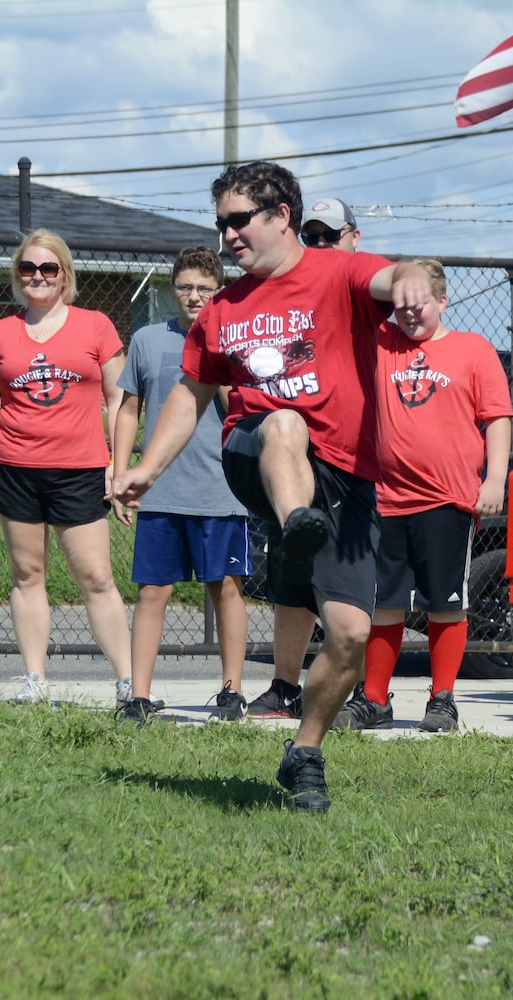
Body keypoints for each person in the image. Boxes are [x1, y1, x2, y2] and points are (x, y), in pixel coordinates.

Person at [110, 161, 434, 811]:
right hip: (256, 453)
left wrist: (415, 278)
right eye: (221, 222)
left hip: (344, 479)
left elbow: (394, 275)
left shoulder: (334, 273)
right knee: (283, 422)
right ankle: (293, 529)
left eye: (240, 220)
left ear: (282, 215)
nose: (229, 234)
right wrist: (145, 467)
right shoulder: (223, 312)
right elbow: (191, 393)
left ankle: (305, 752)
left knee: (347, 635)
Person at [334, 258, 513, 733]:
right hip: (386, 498)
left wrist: (494, 480)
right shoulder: (380, 342)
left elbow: (497, 417)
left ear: (443, 301)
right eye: (402, 306)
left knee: (445, 602)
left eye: (421, 304)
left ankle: (443, 698)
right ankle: (374, 698)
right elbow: (353, 303)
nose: (410, 314)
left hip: (447, 499)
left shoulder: (473, 350)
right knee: (385, 604)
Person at [0, 228, 134, 706]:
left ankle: (128, 683)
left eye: (47, 268)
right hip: (14, 468)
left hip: (80, 470)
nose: (37, 277)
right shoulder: (1, 333)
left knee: (96, 577)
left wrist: (114, 465)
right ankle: (35, 679)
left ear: (64, 275)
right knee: (27, 574)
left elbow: (118, 400)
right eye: (28, 269)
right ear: (18, 277)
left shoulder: (96, 326)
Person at [111, 247, 250, 725]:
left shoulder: (233, 340)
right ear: (172, 289)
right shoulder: (148, 340)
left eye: (205, 289)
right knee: (153, 591)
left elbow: (243, 406)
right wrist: (120, 472)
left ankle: (232, 692)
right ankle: (140, 696)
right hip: (162, 492)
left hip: (221, 489)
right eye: (186, 287)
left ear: (220, 292)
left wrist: (221, 356)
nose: (194, 297)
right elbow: (128, 409)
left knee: (226, 589)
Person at [246, 194, 359, 721]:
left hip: (353, 463)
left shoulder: (358, 287)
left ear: (352, 240)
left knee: (360, 591)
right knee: (293, 570)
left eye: (328, 237)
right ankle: (285, 685)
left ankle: (364, 691)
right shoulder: (285, 292)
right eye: (310, 236)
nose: (318, 246)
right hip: (292, 457)